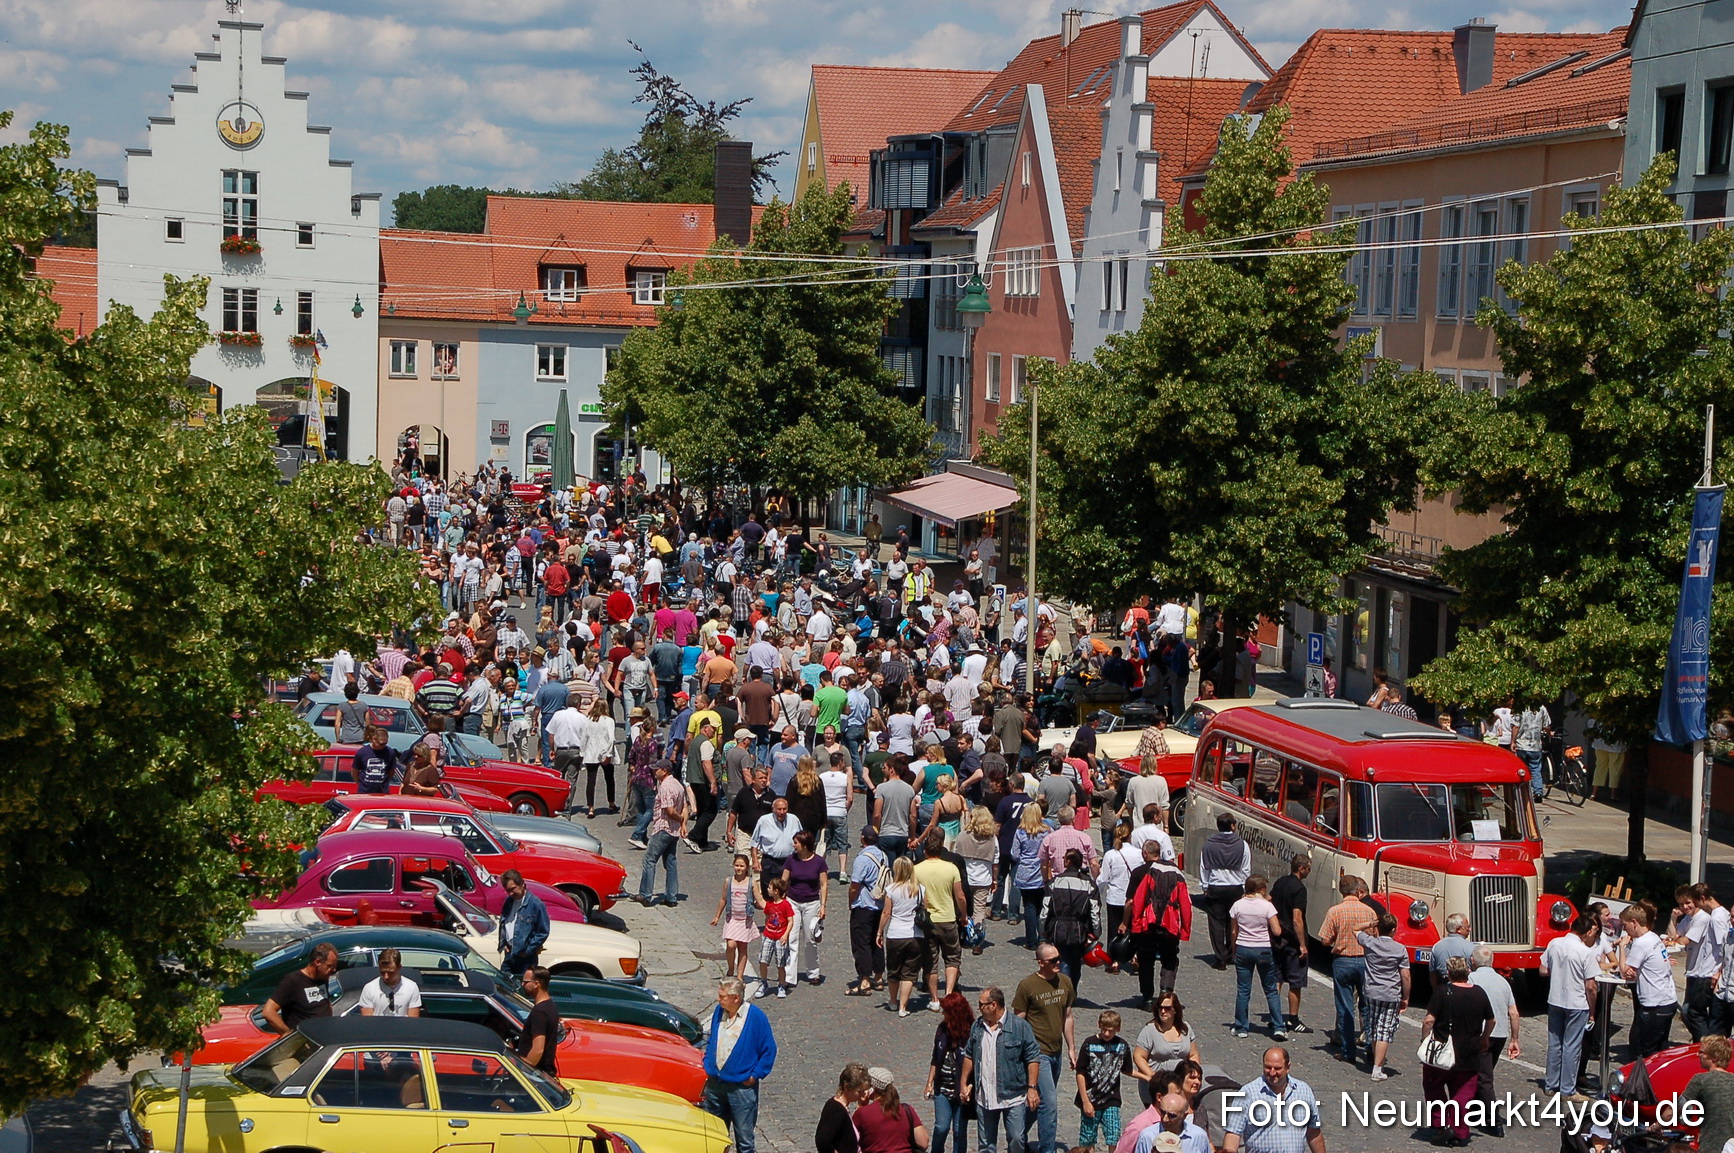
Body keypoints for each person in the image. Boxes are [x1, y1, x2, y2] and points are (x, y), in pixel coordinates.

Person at [1420, 956, 1495, 1148]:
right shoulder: (1479, 993)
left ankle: (1440, 1123)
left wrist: (1424, 1039)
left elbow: (1429, 1020)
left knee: (1434, 1086)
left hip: (1442, 1049)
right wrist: (1485, 1038)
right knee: (1463, 1091)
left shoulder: (1442, 992)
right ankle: (1459, 1129)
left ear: (1449, 973)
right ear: (1468, 971)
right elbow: (1491, 1019)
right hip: (1470, 1050)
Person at [961, 985, 1043, 1153]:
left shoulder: (1019, 1027)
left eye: (982, 1004)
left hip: (1013, 1095)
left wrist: (1032, 1088)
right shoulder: (978, 1027)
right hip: (985, 1096)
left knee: (1016, 1139)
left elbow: (1033, 1057)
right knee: (986, 1145)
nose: (979, 1008)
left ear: (994, 1005)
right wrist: (963, 1083)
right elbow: (969, 1054)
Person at [703, 976, 778, 1153]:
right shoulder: (718, 1011)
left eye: (722, 996)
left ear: (736, 998)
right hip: (715, 1085)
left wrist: (755, 1075)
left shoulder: (755, 1017)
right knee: (714, 1138)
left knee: (744, 1141)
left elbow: (769, 1050)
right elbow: (713, 1038)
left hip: (741, 1089)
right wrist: (708, 1062)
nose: (718, 999)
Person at [1014, 943, 1077, 1153]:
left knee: (1039, 1101)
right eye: (1053, 961)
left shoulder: (1065, 982)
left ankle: (1017, 1135)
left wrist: (1071, 1048)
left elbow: (1067, 1016)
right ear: (1041, 963)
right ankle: (1047, 1150)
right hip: (1037, 1054)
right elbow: (1018, 1021)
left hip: (1056, 1051)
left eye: (1059, 958)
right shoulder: (1027, 986)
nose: (1058, 962)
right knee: (1049, 1104)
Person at [1316, 874, 1379, 1066]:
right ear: (1357, 890)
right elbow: (1376, 936)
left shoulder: (1335, 911)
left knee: (1345, 1007)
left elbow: (1325, 940)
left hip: (1343, 961)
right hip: (1366, 961)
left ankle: (1348, 1050)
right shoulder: (1369, 912)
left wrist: (1338, 940)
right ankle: (1370, 1048)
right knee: (1367, 1007)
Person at [1123, 840, 1192, 1010]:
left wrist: (1136, 923)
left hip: (1149, 923)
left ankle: (1147, 998)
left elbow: (1138, 900)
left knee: (1146, 960)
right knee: (1170, 959)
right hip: (1170, 923)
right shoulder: (1177, 874)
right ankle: (1165, 992)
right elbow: (1185, 904)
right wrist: (1185, 929)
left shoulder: (1149, 873)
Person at [1540, 913, 1600, 1095]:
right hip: (1576, 1002)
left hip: (1556, 998)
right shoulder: (1585, 952)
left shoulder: (1554, 944)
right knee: (1572, 1046)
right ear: (1588, 931)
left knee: (1555, 1043)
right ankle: (1567, 1089)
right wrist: (1592, 1011)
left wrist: (1560, 972)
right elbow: (1591, 986)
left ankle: (1551, 1084)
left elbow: (1543, 970)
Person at [1220, 1048, 1324, 1153]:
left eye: (1277, 1068)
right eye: (1268, 1067)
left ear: (1288, 1067)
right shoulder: (1248, 1093)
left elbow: (1313, 1132)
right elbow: (1233, 1133)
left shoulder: (1304, 1090)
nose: (1272, 1072)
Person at [1467, 945, 1520, 1130]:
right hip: (1500, 1034)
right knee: (1481, 1071)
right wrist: (1515, 1039)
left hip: (1482, 1034)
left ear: (1472, 961)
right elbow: (1513, 1013)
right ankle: (1474, 1112)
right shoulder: (1503, 982)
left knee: (1483, 1077)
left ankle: (1493, 1120)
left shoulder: (1471, 978)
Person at [1229, 874, 1287, 1040]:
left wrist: (1234, 949)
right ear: (1261, 889)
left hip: (1243, 948)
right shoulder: (1266, 906)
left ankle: (1241, 1027)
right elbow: (1277, 931)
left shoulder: (1237, 905)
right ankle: (1278, 1027)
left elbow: (1234, 931)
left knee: (1243, 990)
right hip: (1263, 949)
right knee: (1270, 989)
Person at [914, 829, 968, 1006]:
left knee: (930, 960)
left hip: (928, 921)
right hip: (947, 917)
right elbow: (960, 896)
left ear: (925, 851)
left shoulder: (916, 869)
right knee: (952, 957)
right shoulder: (951, 868)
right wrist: (964, 916)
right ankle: (949, 993)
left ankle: (934, 999)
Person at [1622, 903, 1679, 1057]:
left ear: (1634, 922)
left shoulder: (1641, 943)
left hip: (1655, 1004)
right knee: (1660, 1050)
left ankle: (1643, 1080)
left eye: (1625, 925)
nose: (1624, 930)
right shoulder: (1654, 937)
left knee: (1647, 1053)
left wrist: (1621, 947)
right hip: (1667, 1000)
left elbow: (1625, 972)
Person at [1357, 912, 1410, 1081]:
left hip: (1372, 991)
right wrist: (1406, 996)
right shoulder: (1400, 949)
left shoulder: (1370, 942)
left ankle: (1376, 1060)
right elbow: (1406, 976)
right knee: (1384, 1031)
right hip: (1390, 993)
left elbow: (1355, 929)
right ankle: (1377, 1067)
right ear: (1393, 930)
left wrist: (1370, 923)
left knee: (1373, 1027)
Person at [1198, 813, 1251, 970]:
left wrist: (1205, 886)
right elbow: (1246, 869)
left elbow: (1204, 867)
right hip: (1235, 887)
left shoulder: (1208, 844)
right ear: (1233, 826)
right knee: (1233, 921)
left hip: (1216, 886)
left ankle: (1220, 957)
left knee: (1216, 922)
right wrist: (1244, 888)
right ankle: (1230, 954)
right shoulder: (1242, 845)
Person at [1077, 1009, 1134, 1152]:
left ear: (1118, 1029)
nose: (1107, 1034)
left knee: (1114, 1134)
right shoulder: (1089, 1043)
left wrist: (1147, 1076)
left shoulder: (1122, 1045)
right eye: (1104, 1030)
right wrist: (1085, 1101)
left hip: (1111, 1098)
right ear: (1099, 1025)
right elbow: (1080, 1072)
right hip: (1091, 1098)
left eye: (1111, 1030)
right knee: (1088, 1137)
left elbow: (1127, 1070)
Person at [926, 992, 976, 1153]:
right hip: (942, 1088)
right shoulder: (942, 1030)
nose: (943, 1014)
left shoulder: (971, 1033)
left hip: (962, 1091)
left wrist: (969, 1087)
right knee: (941, 1127)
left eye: (946, 1011)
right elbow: (935, 1059)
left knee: (959, 1131)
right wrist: (929, 1083)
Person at [1044, 847, 1101, 989]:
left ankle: (1065, 991)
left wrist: (1042, 930)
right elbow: (1095, 911)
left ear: (1068, 861)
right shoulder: (1089, 884)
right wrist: (1096, 932)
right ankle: (1072, 989)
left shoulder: (1054, 883)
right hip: (1079, 928)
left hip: (1058, 927)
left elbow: (1045, 910)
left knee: (1063, 959)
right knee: (1075, 961)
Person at [1132, 993, 1202, 1109]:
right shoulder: (1150, 1030)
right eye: (1160, 1008)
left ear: (1175, 1010)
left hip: (1180, 1085)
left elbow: (1193, 1054)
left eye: (1167, 1008)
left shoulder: (1185, 1029)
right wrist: (1152, 1077)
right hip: (1158, 1086)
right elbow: (1138, 1056)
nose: (1163, 1011)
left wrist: (1193, 1075)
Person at [878, 856, 928, 1017]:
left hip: (895, 934)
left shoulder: (891, 889)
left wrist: (879, 932)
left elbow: (886, 913)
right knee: (909, 973)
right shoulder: (920, 889)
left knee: (894, 971)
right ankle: (903, 1007)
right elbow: (925, 909)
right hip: (915, 935)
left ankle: (893, 1001)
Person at [1270, 855, 1313, 1036]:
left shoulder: (1280, 882)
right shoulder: (1299, 889)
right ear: (1301, 869)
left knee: (1277, 978)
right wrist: (1302, 944)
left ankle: (1275, 1016)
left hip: (1277, 937)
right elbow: (1297, 919)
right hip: (1292, 941)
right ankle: (1293, 1018)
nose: (1309, 872)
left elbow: (1270, 900)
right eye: (1308, 868)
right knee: (1295, 981)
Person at [782, 829, 829, 987]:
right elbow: (784, 881)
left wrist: (823, 905)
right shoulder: (791, 860)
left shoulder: (819, 862)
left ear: (804, 844)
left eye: (796, 843)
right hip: (792, 901)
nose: (793, 845)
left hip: (811, 903)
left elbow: (823, 884)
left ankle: (813, 972)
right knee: (791, 937)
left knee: (810, 939)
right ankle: (789, 976)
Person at [638, 761, 687, 907]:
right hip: (674, 831)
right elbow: (685, 805)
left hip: (663, 828)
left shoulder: (665, 787)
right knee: (670, 862)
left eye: (656, 770)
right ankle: (671, 897)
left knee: (649, 860)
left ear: (664, 771)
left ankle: (645, 895)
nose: (654, 772)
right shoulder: (678, 785)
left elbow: (670, 811)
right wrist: (683, 824)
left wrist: (680, 819)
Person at [262, 942, 338, 1033]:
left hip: (325, 1039)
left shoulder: (323, 977)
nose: (334, 970)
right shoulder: (292, 981)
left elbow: (325, 1004)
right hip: (306, 1043)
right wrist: (290, 1037)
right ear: (317, 962)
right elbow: (268, 1012)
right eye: (330, 966)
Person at [848, 828, 889, 996]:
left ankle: (865, 980)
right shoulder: (883, 856)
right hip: (879, 905)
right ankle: (879, 977)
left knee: (861, 943)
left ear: (863, 839)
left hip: (863, 905)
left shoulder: (862, 859)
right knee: (877, 940)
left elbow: (855, 885)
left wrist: (851, 902)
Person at [855, 1066, 930, 1153]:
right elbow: (923, 1143)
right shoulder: (906, 1110)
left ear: (871, 1089)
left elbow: (849, 1139)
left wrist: (861, 1106)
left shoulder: (863, 1113)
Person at [1681, 1034, 1734, 1153]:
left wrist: (1655, 1127)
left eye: (1702, 1052)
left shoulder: (1700, 1080)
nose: (1698, 1055)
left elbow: (1675, 1111)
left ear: (1714, 1058)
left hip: (1711, 1147)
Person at [711, 853, 759, 980]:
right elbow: (723, 899)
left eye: (742, 866)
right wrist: (717, 916)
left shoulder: (751, 882)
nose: (739, 868)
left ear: (746, 867)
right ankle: (731, 967)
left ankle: (739, 975)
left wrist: (772, 908)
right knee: (731, 945)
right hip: (732, 918)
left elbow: (759, 900)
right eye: (737, 865)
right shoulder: (729, 881)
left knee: (742, 947)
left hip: (745, 920)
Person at [1011, 803, 1051, 950]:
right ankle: (1042, 936)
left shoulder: (1020, 832)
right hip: (1041, 872)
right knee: (1041, 906)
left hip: (1025, 873)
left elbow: (1014, 854)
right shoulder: (1046, 831)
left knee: (1029, 906)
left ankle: (1031, 940)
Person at [498, 869, 549, 977]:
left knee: (523, 988)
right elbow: (505, 923)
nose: (511, 893)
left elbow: (543, 932)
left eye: (513, 889)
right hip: (509, 954)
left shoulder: (536, 904)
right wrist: (504, 945)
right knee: (503, 985)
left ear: (522, 884)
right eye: (508, 891)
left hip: (525, 959)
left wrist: (528, 950)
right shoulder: (508, 901)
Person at [753, 875, 795, 999]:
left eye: (770, 888)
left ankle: (781, 984)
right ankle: (764, 982)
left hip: (780, 937)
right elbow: (767, 917)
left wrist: (786, 934)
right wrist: (766, 929)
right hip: (768, 935)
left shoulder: (786, 905)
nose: (768, 889)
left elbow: (790, 921)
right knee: (763, 960)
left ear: (776, 891)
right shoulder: (769, 904)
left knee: (780, 963)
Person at [817, 1063, 873, 1153]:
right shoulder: (837, 1111)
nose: (863, 1095)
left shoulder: (839, 1106)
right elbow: (823, 1141)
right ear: (847, 1087)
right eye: (859, 1091)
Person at [516, 966, 561, 1075]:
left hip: (537, 1074)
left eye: (526, 982)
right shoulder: (550, 1005)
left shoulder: (539, 1012)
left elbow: (538, 1049)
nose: (522, 985)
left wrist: (524, 1072)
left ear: (536, 984)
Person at [874, 757, 918, 863]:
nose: (882, 769)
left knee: (888, 866)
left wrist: (875, 831)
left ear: (891, 769)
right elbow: (913, 815)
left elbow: (877, 814)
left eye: (884, 767)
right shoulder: (909, 789)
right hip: (902, 834)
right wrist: (912, 836)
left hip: (886, 833)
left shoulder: (881, 788)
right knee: (899, 866)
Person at [358, 948, 422, 1018]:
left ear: (399, 967)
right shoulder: (369, 988)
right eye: (382, 972)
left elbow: (412, 1021)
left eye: (390, 972)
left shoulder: (411, 987)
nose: (386, 976)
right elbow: (368, 1022)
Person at [1429, 914, 1478, 981]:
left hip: (1443, 986)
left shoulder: (1437, 946)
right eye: (1467, 927)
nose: (1470, 929)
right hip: (1464, 985)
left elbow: (1432, 973)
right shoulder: (1471, 948)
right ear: (1459, 929)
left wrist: (1436, 990)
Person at [352, 725, 400, 794]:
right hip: (364, 792)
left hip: (382, 792)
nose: (383, 746)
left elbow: (391, 771)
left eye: (385, 743)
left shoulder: (390, 752)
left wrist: (383, 781)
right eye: (381, 744)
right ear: (374, 739)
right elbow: (354, 772)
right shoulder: (362, 752)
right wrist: (360, 783)